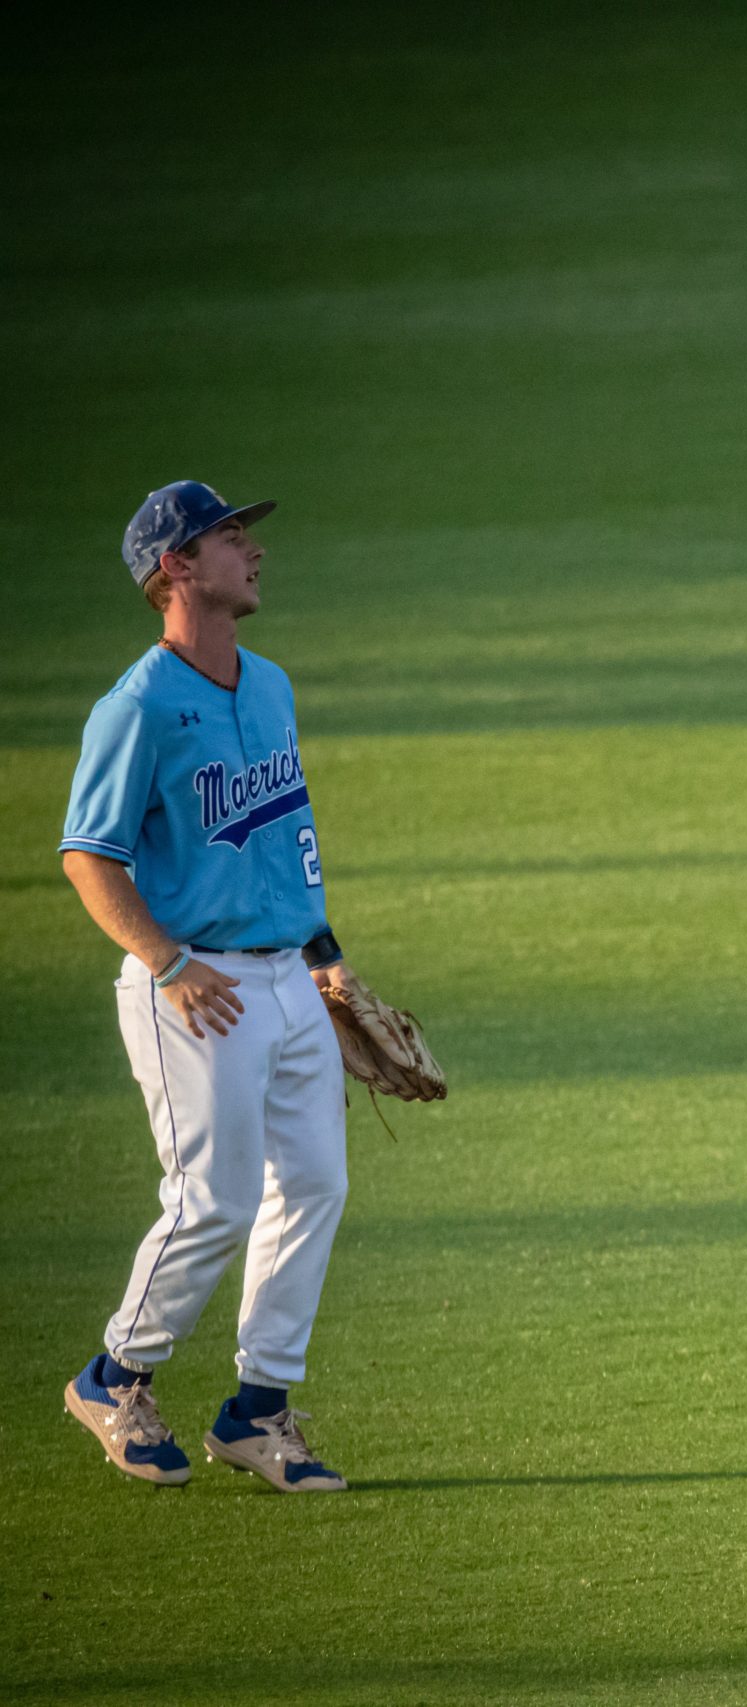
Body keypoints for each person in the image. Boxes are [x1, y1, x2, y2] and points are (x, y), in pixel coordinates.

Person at [58, 480, 358, 1492]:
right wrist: (169, 965)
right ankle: (114, 1376)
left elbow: (288, 835)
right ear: (176, 567)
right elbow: (88, 857)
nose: (252, 550)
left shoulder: (268, 684)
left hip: (287, 978)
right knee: (213, 1202)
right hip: (197, 987)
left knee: (314, 1185)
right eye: (230, 536)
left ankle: (258, 1411)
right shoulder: (137, 706)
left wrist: (325, 956)